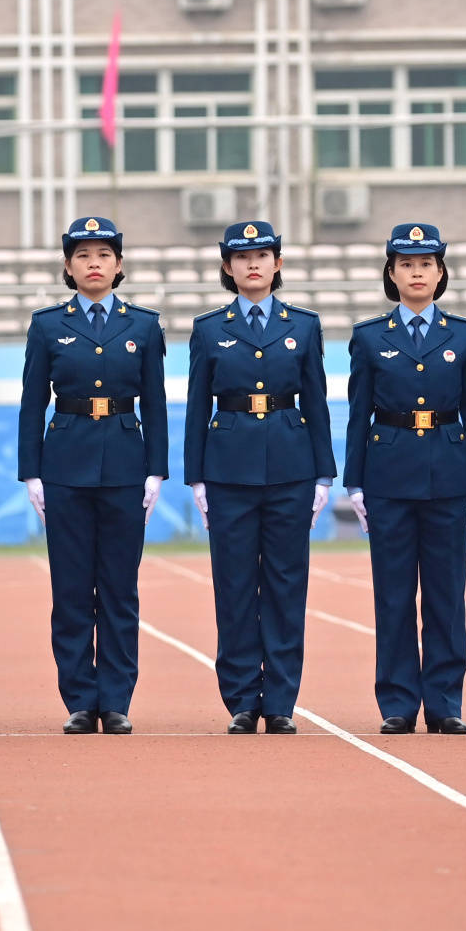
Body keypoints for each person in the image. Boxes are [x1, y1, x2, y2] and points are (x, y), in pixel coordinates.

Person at [16, 217, 167, 735]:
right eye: (83, 256)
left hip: (126, 463)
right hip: (66, 464)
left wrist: (157, 469)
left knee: (120, 589)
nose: (94, 263)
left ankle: (117, 698)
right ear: (67, 266)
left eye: (104, 255)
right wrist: (31, 472)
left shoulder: (143, 325)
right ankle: (80, 698)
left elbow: (157, 402)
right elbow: (32, 401)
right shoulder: (47, 325)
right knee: (73, 589)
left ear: (119, 265)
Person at [183, 220, 335, 734]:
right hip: (227, 469)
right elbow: (196, 404)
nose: (253, 264)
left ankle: (282, 701)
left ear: (278, 264)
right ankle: (243, 699)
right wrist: (196, 477)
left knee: (287, 585)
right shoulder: (209, 329)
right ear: (227, 267)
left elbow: (316, 401)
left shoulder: (304, 326)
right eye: (242, 256)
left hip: (291, 467)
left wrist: (323, 474)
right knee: (234, 586)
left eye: (263, 255)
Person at [343, 223, 466, 736]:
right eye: (406, 264)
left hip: (450, 475)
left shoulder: (465, 336)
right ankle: (398, 703)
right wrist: (355, 483)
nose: (417, 273)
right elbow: (358, 412)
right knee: (394, 594)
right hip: (388, 476)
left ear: (441, 272)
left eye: (426, 264)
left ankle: (446, 701)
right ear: (392, 273)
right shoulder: (368, 338)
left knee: (447, 595)